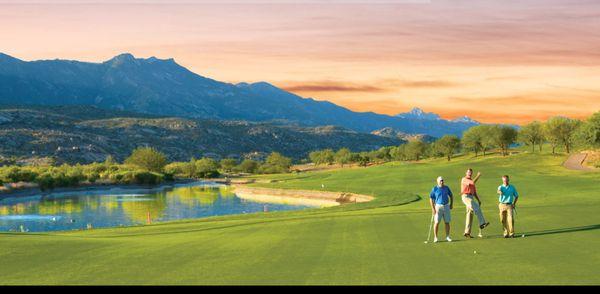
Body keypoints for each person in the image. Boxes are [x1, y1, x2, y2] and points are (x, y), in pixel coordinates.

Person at [461, 168, 489, 238]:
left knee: (469, 215)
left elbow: (474, 192)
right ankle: (482, 223)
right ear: (466, 173)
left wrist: (478, 200)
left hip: (471, 197)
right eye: (468, 172)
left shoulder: (471, 180)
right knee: (477, 208)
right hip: (466, 196)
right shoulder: (464, 179)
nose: (470, 173)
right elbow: (473, 182)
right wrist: (478, 176)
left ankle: (467, 232)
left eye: (471, 172)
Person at [429, 176, 453, 243]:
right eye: (440, 181)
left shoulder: (446, 188)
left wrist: (451, 204)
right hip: (438, 207)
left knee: (447, 222)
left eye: (442, 180)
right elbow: (431, 199)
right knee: (436, 222)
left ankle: (447, 237)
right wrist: (433, 209)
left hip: (446, 206)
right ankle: (435, 237)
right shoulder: (435, 189)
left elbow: (451, 195)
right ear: (438, 182)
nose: (442, 182)